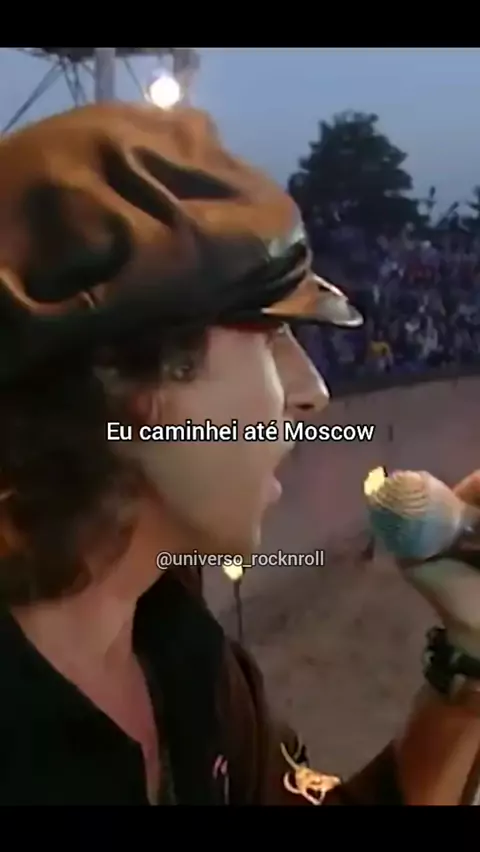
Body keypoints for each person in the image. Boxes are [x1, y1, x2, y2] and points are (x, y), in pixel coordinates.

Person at [0, 102, 480, 806]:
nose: (313, 392)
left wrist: (467, 663)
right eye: (272, 335)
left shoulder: (177, 645)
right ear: (126, 380)